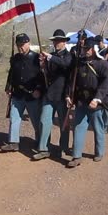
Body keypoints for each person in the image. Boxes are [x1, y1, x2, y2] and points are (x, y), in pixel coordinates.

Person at [65, 37, 108, 167]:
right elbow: (72, 81)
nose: (86, 50)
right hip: (80, 101)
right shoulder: (79, 63)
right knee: (78, 127)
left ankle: (99, 152)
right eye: (85, 48)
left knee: (98, 128)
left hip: (95, 102)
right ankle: (76, 156)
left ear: (94, 49)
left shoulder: (103, 64)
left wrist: (97, 99)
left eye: (88, 48)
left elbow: (105, 83)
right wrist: (69, 96)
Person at [32, 29, 72, 160]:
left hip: (63, 96)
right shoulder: (51, 57)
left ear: (64, 42)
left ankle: (64, 147)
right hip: (49, 94)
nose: (56, 43)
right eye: (55, 41)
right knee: (44, 121)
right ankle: (43, 148)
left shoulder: (69, 56)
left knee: (64, 124)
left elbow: (65, 64)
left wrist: (49, 57)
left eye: (59, 41)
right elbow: (46, 74)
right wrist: (43, 65)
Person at [1, 33, 43, 152]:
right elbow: (11, 74)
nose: (21, 47)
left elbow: (42, 77)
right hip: (17, 94)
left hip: (32, 95)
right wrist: (8, 86)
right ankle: (13, 142)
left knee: (36, 120)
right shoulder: (15, 59)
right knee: (14, 118)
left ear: (29, 43)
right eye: (19, 44)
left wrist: (38, 89)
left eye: (23, 44)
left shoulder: (37, 58)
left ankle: (41, 142)